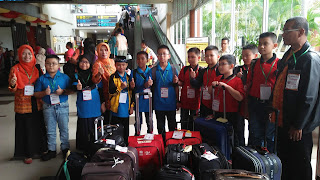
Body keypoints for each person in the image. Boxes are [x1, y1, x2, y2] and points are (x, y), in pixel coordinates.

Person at [272, 17, 320, 180]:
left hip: (299, 126)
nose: (283, 35)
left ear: (301, 32)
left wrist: (299, 124)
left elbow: (309, 96)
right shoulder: (288, 55)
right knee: (285, 160)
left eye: (287, 31)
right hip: (283, 119)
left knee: (300, 164)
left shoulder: (310, 59)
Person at [8, 45, 47, 164]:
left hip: (36, 101)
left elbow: (42, 82)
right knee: (25, 128)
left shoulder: (36, 69)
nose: (27, 56)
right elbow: (12, 88)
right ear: (19, 55)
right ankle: (27, 153)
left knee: (37, 126)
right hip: (22, 104)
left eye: (29, 53)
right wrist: (13, 84)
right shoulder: (15, 69)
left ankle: (40, 150)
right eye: (24, 54)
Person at [34, 54, 72, 161]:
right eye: (48, 64)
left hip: (62, 106)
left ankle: (65, 148)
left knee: (64, 128)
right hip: (48, 107)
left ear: (58, 65)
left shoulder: (65, 77)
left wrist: (63, 91)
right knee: (50, 129)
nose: (51, 66)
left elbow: (72, 90)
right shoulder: (41, 79)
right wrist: (44, 93)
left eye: (54, 63)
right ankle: (51, 150)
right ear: (45, 65)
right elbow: (36, 94)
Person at [246, 32, 279, 152]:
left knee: (270, 136)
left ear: (274, 45)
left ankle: (270, 164)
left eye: (266, 44)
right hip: (255, 104)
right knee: (255, 133)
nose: (262, 47)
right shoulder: (254, 63)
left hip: (271, 105)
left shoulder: (279, 64)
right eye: (260, 44)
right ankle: (256, 163)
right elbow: (249, 83)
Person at [209, 55, 245, 146]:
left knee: (233, 138)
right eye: (219, 64)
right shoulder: (217, 78)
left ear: (231, 66)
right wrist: (212, 86)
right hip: (218, 112)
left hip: (232, 114)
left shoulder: (237, 80)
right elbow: (210, 92)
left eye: (223, 64)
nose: (220, 67)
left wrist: (227, 87)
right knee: (219, 138)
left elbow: (240, 97)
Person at [71, 54, 101, 151]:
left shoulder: (93, 74)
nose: (84, 64)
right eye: (82, 62)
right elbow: (72, 85)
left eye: (87, 62)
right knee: (83, 125)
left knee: (95, 124)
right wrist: (77, 87)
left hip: (94, 103)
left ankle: (95, 146)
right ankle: (83, 148)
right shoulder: (75, 75)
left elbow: (100, 86)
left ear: (90, 64)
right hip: (83, 104)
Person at [151, 45, 179, 142]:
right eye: (160, 54)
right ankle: (163, 145)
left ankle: (173, 146)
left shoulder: (173, 69)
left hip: (171, 103)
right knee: (160, 127)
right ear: (157, 56)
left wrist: (177, 100)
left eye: (164, 54)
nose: (162, 56)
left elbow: (177, 86)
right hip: (158, 104)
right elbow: (149, 86)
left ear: (169, 56)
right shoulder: (153, 70)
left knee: (172, 126)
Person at [234, 44, 258, 146]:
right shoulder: (238, 69)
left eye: (247, 55)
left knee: (253, 128)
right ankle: (241, 147)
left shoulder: (257, 69)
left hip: (253, 102)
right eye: (243, 55)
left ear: (255, 55)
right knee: (239, 127)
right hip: (240, 102)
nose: (244, 58)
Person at [109, 56, 134, 144]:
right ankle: (116, 145)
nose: (121, 67)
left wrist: (132, 106)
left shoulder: (128, 77)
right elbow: (111, 91)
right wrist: (120, 87)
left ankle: (126, 144)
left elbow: (132, 93)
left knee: (126, 129)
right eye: (119, 65)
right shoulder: (113, 77)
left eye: (123, 65)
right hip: (116, 108)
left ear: (126, 65)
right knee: (116, 129)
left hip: (126, 107)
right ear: (115, 65)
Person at [190, 45, 220, 118]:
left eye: (211, 55)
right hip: (204, 103)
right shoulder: (203, 71)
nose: (209, 58)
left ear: (218, 56)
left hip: (217, 104)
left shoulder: (221, 70)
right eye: (206, 56)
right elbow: (196, 85)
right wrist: (193, 78)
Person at [177, 47, 203, 130]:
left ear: (198, 58)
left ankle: (194, 140)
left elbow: (200, 85)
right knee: (184, 121)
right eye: (188, 57)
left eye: (193, 57)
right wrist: (176, 81)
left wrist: (193, 78)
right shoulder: (184, 69)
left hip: (196, 103)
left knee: (194, 123)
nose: (190, 59)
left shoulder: (202, 71)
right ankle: (184, 141)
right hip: (185, 101)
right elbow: (181, 83)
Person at [92, 43, 116, 121]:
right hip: (104, 94)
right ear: (97, 52)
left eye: (106, 50)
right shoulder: (97, 64)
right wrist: (99, 74)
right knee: (107, 117)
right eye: (101, 50)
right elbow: (94, 80)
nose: (104, 52)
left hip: (115, 92)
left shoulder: (112, 61)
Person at [130, 51, 153, 135]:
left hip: (148, 101)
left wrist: (149, 84)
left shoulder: (151, 71)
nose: (140, 61)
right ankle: (137, 135)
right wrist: (132, 86)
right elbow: (131, 86)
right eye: (138, 59)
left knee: (149, 120)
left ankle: (150, 136)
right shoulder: (134, 72)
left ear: (147, 60)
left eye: (142, 58)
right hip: (138, 100)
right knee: (138, 120)